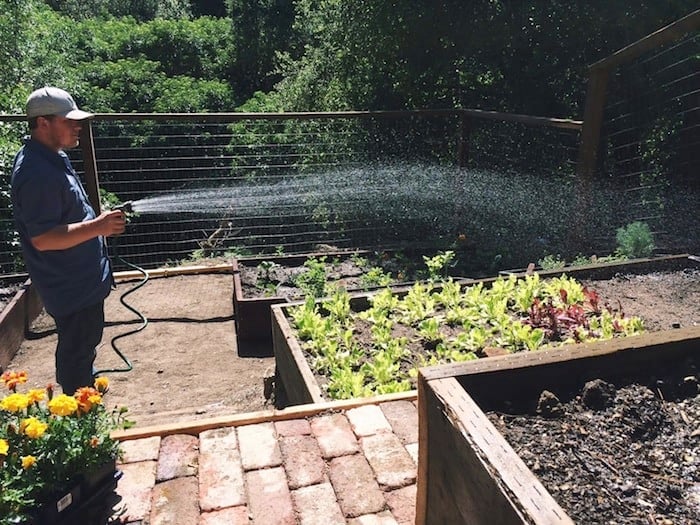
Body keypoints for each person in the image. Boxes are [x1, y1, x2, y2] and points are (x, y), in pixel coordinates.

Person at [10, 87, 126, 395]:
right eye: (69, 121)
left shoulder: (51, 156)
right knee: (76, 350)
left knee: (83, 346)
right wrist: (98, 226)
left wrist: (96, 226)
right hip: (70, 285)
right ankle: (80, 414)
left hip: (79, 281)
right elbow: (45, 239)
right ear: (43, 124)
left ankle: (83, 390)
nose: (78, 126)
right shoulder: (37, 173)